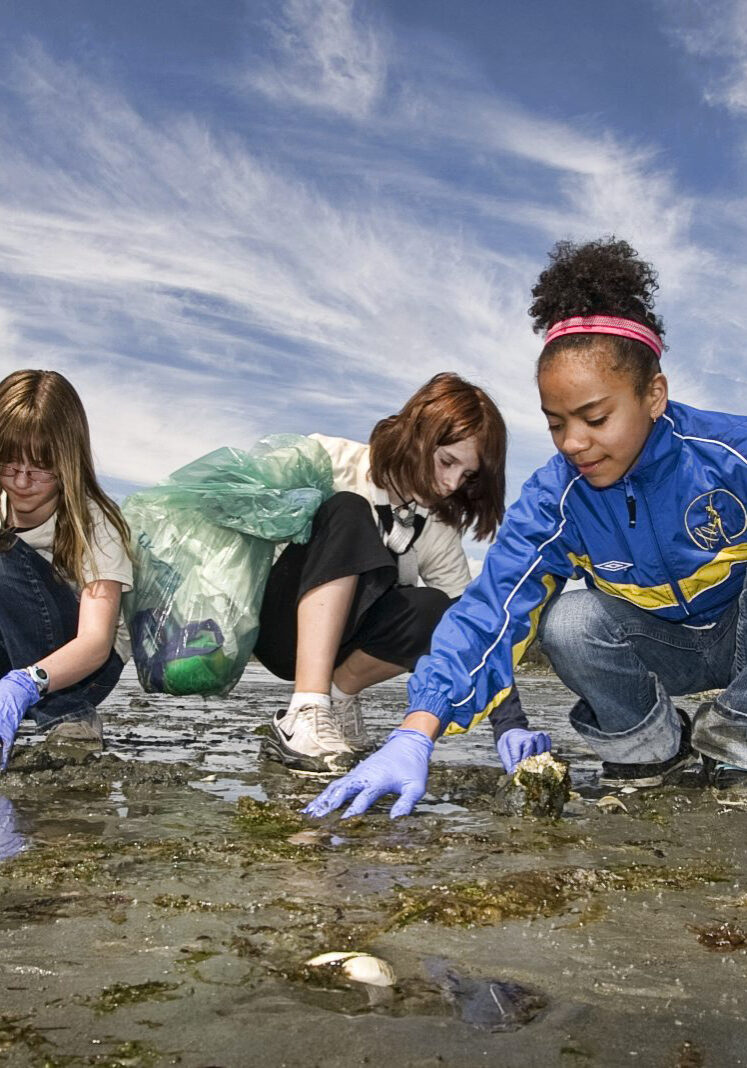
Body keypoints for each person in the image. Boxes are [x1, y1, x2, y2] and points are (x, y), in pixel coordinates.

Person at [305, 236, 747, 819]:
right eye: (556, 423)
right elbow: (490, 612)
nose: (574, 443)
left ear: (653, 395)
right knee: (567, 621)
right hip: (659, 648)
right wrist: (416, 731)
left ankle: (732, 735)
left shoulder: (728, 453)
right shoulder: (554, 498)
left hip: (736, 636)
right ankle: (651, 753)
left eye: (596, 418)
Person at [255, 372, 546, 776]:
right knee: (349, 510)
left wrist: (510, 726)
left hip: (343, 645)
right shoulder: (326, 459)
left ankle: (336, 700)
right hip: (275, 626)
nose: (450, 484)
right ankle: (305, 708)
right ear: (416, 433)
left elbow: (476, 628)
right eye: (446, 461)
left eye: (466, 475)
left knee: (440, 609)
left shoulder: (438, 526)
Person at [0, 369, 133, 768]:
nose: (21, 482)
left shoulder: (95, 523)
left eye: (40, 467)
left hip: (83, 672)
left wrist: (27, 683)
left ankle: (69, 716)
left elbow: (95, 642)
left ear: (69, 460)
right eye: (7, 463)